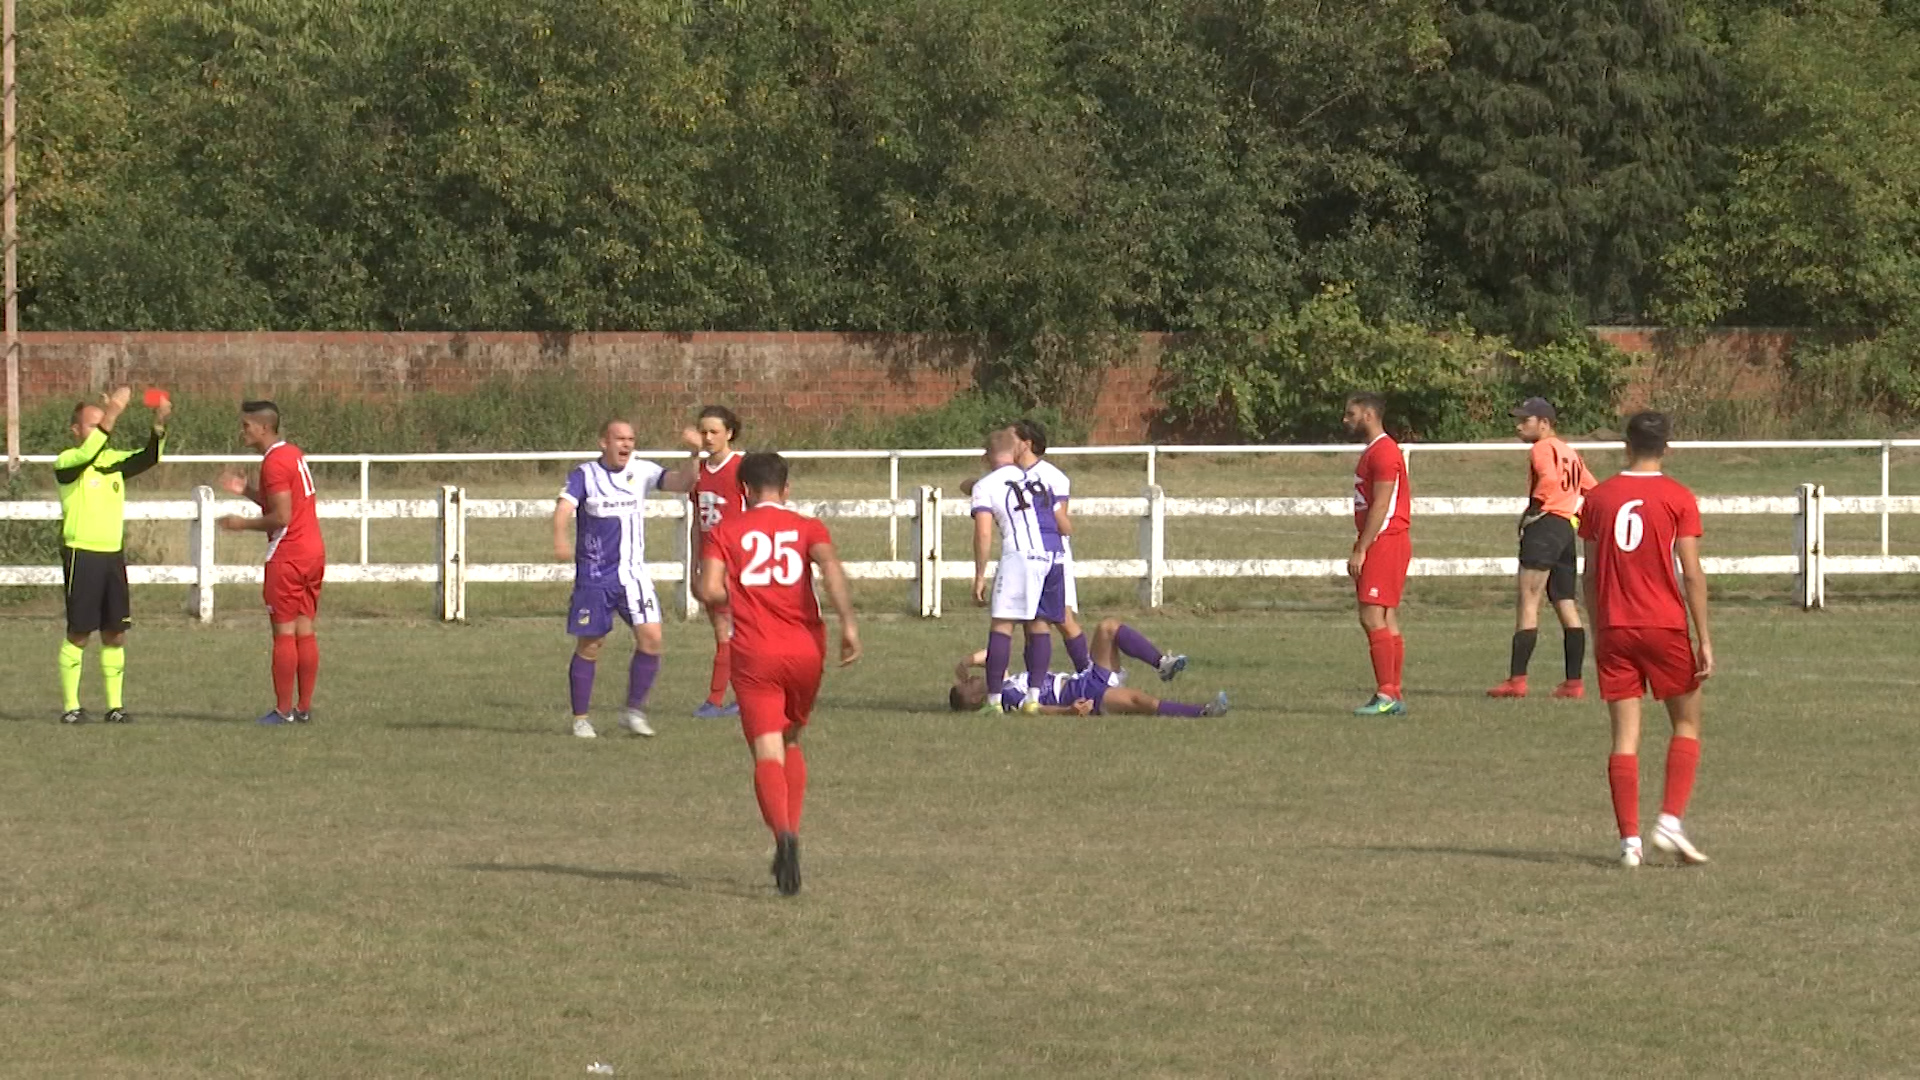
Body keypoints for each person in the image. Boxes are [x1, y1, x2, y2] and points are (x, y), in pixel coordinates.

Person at [696, 452, 861, 896]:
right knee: (790, 741)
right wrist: (848, 624)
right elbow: (829, 568)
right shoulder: (808, 527)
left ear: (744, 490)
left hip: (754, 653)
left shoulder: (725, 530)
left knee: (767, 750)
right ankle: (792, 830)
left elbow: (708, 588)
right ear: (786, 489)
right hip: (806, 650)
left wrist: (733, 596)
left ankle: (784, 836)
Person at [1578, 411, 1714, 868]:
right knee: (1687, 723)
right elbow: (1691, 573)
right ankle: (1669, 821)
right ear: (1667, 447)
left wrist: (1599, 630)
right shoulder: (1678, 497)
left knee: (1624, 737)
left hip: (1615, 626)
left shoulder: (1598, 498)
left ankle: (1629, 843)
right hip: (1664, 625)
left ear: (1625, 444)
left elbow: (1591, 573)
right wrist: (1704, 637)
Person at [552, 418, 697, 739]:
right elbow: (563, 508)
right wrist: (560, 538)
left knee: (652, 639)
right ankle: (581, 719)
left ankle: (633, 712)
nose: (627, 445)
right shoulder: (585, 475)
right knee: (591, 646)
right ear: (604, 442)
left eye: (631, 439)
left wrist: (694, 454)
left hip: (633, 577)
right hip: (595, 579)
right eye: (619, 439)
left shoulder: (642, 471)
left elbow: (683, 483)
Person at [53, 386, 169, 724]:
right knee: (78, 632)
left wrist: (159, 423)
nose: (102, 427)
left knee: (114, 633)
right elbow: (89, 450)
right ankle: (71, 707)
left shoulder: (113, 463)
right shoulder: (68, 462)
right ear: (76, 431)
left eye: (102, 422)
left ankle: (115, 707)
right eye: (93, 423)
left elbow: (149, 456)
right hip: (82, 555)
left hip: (111, 557)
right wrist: (115, 409)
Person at [218, 400, 326, 726]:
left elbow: (281, 516)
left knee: (283, 632)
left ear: (263, 427)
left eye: (246, 426)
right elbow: (284, 500)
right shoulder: (291, 453)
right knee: (305, 629)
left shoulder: (274, 463)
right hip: (312, 551)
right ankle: (303, 708)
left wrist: (241, 524)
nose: (243, 432)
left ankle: (282, 711)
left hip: (287, 555)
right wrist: (247, 491)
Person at [1489, 397, 1598, 699]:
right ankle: (1573, 683)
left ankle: (1517, 680)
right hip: (1565, 529)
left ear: (1544, 423)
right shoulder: (1570, 452)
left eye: (1526, 420)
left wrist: (1534, 509)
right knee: (1565, 602)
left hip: (1546, 526)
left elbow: (1548, 478)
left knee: (1529, 598)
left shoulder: (1541, 448)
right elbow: (1592, 488)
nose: (1519, 425)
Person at [970, 427, 1070, 713]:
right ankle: (1033, 699)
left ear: (988, 455)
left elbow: (983, 533)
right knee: (1039, 624)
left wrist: (979, 575)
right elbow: (1060, 522)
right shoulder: (1040, 480)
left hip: (1021, 555)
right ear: (1014, 451)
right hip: (1054, 554)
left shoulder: (986, 486)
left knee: (1002, 624)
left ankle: (993, 703)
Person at [948, 617, 1223, 717]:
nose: (972, 678)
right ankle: (1203, 711)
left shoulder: (1002, 683)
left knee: (1108, 627)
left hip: (1086, 677)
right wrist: (1069, 710)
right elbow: (1037, 709)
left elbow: (992, 655)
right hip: (1084, 695)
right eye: (969, 683)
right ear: (975, 698)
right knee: (1141, 701)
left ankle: (1162, 663)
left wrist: (964, 662)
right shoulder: (1007, 697)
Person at [1008, 419, 1111, 675]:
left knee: (1063, 618)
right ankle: (1036, 682)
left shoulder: (1053, 477)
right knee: (1028, 621)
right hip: (1024, 555)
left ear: (1027, 443)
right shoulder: (1006, 475)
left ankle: (1089, 674)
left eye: (1012, 439)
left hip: (1052, 555)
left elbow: (1061, 523)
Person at [1344, 392, 1411, 716]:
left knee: (1371, 615)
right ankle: (1393, 692)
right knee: (1385, 617)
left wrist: (1361, 548)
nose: (1347, 420)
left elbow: (1382, 506)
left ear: (1369, 415)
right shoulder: (1376, 450)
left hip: (1385, 540)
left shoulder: (1384, 452)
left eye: (1351, 414)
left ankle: (1386, 694)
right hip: (1386, 540)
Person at [685, 405, 746, 720]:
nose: (707, 438)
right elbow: (698, 522)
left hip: (737, 564)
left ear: (730, 434)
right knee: (723, 633)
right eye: (703, 431)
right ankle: (724, 699)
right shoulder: (697, 474)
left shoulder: (743, 469)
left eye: (714, 432)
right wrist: (695, 565)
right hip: (711, 564)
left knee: (740, 632)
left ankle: (718, 699)